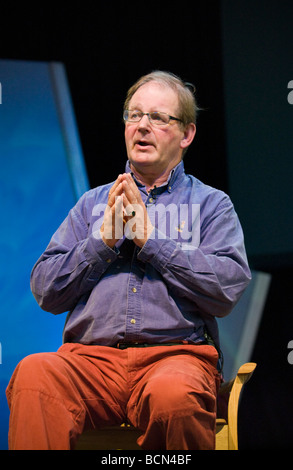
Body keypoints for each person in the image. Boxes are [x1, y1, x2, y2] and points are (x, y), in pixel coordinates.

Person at [6, 71, 251, 450]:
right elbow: (45, 290)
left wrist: (150, 240)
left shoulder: (212, 205)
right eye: (134, 115)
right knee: (34, 375)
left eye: (157, 117)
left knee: (175, 398)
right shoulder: (91, 204)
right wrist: (103, 240)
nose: (142, 126)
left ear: (186, 134)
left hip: (175, 358)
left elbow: (224, 291)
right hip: (90, 363)